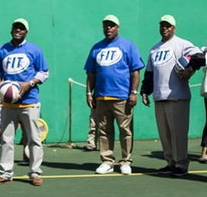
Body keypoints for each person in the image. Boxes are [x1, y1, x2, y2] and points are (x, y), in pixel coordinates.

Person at [0, 18, 49, 187]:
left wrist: (29, 84)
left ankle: (35, 172)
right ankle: (5, 173)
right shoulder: (3, 50)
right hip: (8, 104)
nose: (18, 30)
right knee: (6, 139)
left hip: (29, 102)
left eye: (21, 28)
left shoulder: (35, 50)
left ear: (26, 32)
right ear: (11, 30)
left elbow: (44, 72)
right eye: (15, 27)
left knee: (33, 139)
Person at [140, 15, 200, 177]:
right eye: (162, 26)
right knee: (165, 134)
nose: (164, 28)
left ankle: (181, 164)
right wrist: (145, 91)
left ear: (174, 28)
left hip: (177, 96)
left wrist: (190, 69)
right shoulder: (154, 49)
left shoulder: (182, 44)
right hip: (160, 97)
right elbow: (149, 73)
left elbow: (199, 56)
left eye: (168, 26)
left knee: (178, 133)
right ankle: (170, 162)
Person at [84, 14, 144, 175]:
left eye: (111, 25)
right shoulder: (97, 47)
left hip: (122, 97)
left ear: (117, 27)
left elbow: (135, 71)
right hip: (102, 97)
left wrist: (133, 92)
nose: (108, 28)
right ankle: (107, 161)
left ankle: (126, 161)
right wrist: (89, 93)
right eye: (105, 25)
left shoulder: (128, 45)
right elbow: (91, 73)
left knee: (125, 131)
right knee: (103, 131)